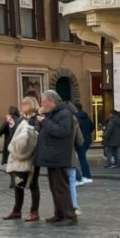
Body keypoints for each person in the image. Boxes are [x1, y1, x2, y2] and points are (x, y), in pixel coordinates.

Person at [35, 91, 76, 225]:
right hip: (52, 156)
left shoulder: (64, 114)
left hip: (58, 156)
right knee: (54, 188)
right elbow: (47, 130)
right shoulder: (53, 114)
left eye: (43, 102)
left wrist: (45, 121)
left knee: (61, 188)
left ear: (51, 101)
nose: (41, 104)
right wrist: (42, 120)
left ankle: (69, 216)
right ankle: (59, 214)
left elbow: (62, 131)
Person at [4, 97, 41, 222]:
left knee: (33, 184)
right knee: (18, 183)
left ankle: (34, 211)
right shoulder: (21, 118)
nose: (22, 105)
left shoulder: (36, 118)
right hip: (20, 156)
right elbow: (14, 134)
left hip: (33, 156)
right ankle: (16, 210)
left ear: (31, 105)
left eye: (25, 104)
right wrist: (11, 124)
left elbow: (36, 134)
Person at [65, 103, 84, 215]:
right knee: (71, 182)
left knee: (61, 184)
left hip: (59, 158)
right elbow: (80, 141)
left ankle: (64, 207)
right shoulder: (74, 120)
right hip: (71, 156)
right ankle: (73, 205)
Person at [73, 102, 94, 185]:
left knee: (79, 158)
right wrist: (87, 133)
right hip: (87, 139)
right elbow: (92, 126)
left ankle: (84, 176)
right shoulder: (86, 116)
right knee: (82, 158)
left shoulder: (76, 117)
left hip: (80, 140)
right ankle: (86, 175)